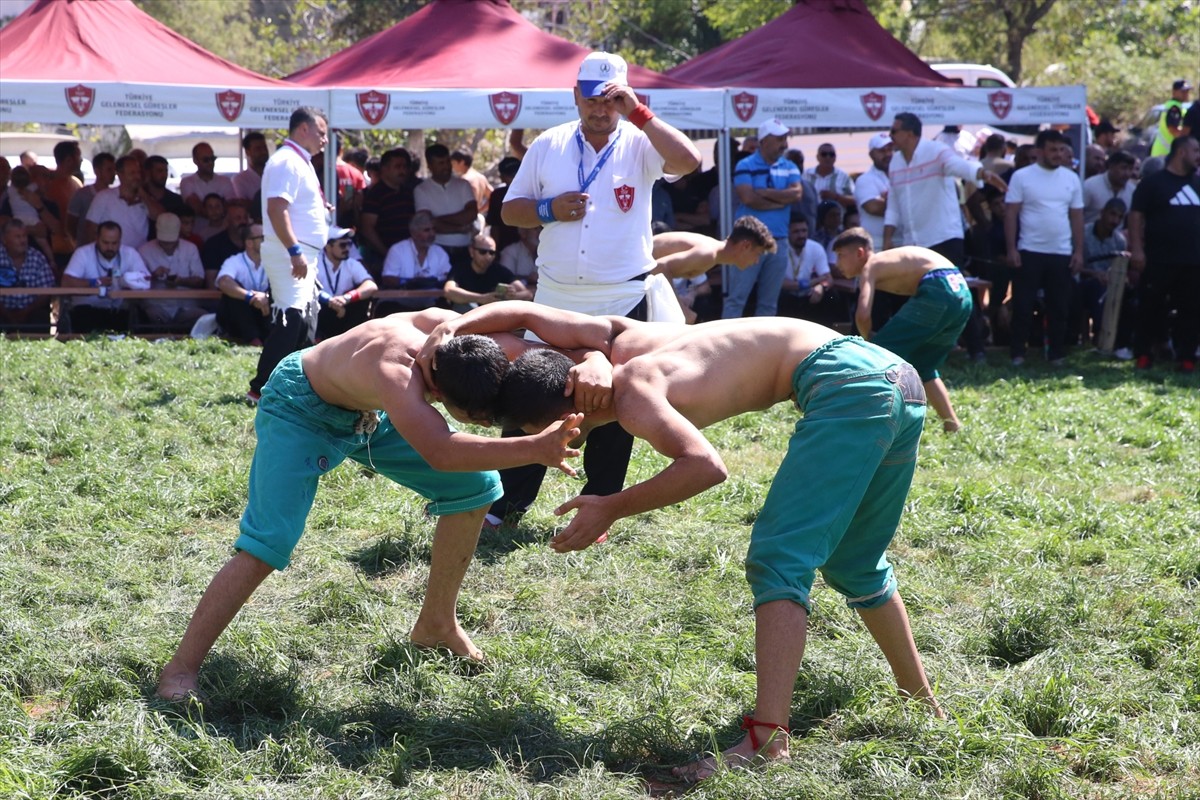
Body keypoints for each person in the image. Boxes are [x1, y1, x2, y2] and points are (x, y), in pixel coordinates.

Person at [418, 301, 943, 782]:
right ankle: (922, 703)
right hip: (894, 377)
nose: (555, 447)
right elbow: (529, 312)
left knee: (777, 560)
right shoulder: (623, 338)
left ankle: (766, 742)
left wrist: (611, 505)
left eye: (548, 436)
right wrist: (452, 328)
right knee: (855, 562)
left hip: (848, 387)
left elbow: (706, 467)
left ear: (569, 418)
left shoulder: (634, 393)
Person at [155, 308, 595, 703]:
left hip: (368, 410)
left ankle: (436, 625)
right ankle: (179, 668)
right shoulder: (397, 371)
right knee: (268, 543)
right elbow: (441, 451)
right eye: (472, 416)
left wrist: (593, 362)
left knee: (473, 487)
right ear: (439, 389)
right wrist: (533, 448)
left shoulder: (467, 340)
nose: (484, 425)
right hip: (301, 406)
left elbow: (561, 335)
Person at [488, 50, 701, 527]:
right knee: (527, 396)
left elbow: (689, 161)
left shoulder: (641, 142)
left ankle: (598, 508)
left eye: (611, 99)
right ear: (575, 96)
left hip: (621, 300)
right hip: (557, 299)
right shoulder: (549, 144)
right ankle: (503, 507)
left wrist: (640, 113)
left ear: (625, 97)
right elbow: (509, 210)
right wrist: (549, 210)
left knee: (613, 404)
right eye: (591, 99)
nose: (600, 109)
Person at [832, 228, 972, 432]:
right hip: (961, 292)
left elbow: (862, 315)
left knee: (874, 357)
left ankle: (858, 421)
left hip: (937, 287)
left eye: (840, 256)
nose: (837, 264)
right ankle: (952, 425)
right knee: (924, 366)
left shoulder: (871, 265)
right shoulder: (888, 260)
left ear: (860, 253)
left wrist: (867, 342)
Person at [246, 106, 330, 406]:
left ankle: (295, 385)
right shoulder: (286, 161)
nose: (325, 140)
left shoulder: (298, 161)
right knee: (290, 317)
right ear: (303, 129)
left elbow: (291, 206)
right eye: (321, 133)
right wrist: (294, 251)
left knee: (306, 320)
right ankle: (261, 388)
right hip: (289, 252)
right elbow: (275, 209)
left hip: (302, 252)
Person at [1004, 129, 1085, 366]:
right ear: (1039, 151)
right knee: (1023, 306)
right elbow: (1011, 214)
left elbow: (1077, 217)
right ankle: (1018, 353)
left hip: (1060, 252)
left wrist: (1078, 251)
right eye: (1053, 149)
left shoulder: (1071, 178)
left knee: (1059, 307)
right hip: (1029, 251)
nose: (1058, 154)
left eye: (1061, 150)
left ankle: (1056, 354)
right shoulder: (1021, 176)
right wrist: (1012, 249)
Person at [1128, 135, 1200, 372]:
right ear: (1181, 153)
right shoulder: (1152, 183)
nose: (1199, 156)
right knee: (1150, 306)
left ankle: (1187, 356)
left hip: (1192, 260)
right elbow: (1136, 216)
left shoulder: (1198, 183)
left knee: (1191, 309)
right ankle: (1144, 354)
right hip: (1158, 258)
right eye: (1196, 150)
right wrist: (1137, 249)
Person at [723, 119, 802, 318]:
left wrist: (765, 192)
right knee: (737, 298)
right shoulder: (745, 164)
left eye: (785, 138)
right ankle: (723, 347)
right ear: (764, 141)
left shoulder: (790, 165)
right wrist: (780, 199)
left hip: (778, 241)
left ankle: (763, 349)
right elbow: (748, 197)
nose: (784, 143)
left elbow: (796, 194)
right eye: (779, 139)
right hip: (747, 242)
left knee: (769, 304)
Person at [60, 220, 151, 332]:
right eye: (105, 243)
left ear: (120, 241)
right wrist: (95, 282)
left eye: (114, 243)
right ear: (97, 239)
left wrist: (128, 282)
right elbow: (66, 282)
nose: (110, 248)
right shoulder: (83, 253)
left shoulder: (130, 253)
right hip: (86, 311)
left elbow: (146, 280)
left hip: (119, 311)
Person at [650, 215, 775, 281]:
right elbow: (659, 268)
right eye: (758, 253)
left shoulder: (712, 255)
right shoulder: (708, 254)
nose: (757, 261)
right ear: (745, 246)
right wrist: (681, 311)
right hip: (633, 266)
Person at [136, 212, 207, 327]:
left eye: (171, 242)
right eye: (164, 242)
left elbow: (200, 280)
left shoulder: (190, 249)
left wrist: (181, 281)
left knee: (203, 317)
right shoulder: (144, 250)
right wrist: (153, 276)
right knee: (151, 314)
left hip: (186, 306)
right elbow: (135, 282)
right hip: (156, 305)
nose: (168, 245)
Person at [414, 144, 477, 271]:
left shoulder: (463, 185)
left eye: (447, 161)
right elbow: (426, 224)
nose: (446, 166)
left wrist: (437, 220)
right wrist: (460, 228)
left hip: (465, 248)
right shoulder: (421, 190)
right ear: (430, 166)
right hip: (436, 248)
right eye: (440, 163)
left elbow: (471, 214)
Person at [359, 147, 418, 275]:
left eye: (404, 166)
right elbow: (367, 228)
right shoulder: (375, 194)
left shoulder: (408, 192)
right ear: (384, 169)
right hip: (382, 257)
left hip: (409, 255)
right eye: (397, 166)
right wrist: (387, 252)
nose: (402, 170)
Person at [315, 226, 377, 340]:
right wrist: (329, 300)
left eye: (349, 244)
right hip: (321, 309)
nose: (347, 249)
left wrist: (347, 298)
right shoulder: (315, 262)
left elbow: (371, 285)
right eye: (342, 245)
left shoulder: (351, 263)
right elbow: (308, 288)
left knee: (361, 302)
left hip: (343, 308)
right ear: (328, 246)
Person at [443, 232, 531, 312]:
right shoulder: (460, 269)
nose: (488, 257)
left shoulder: (499, 270)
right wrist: (481, 298)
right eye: (483, 252)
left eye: (492, 253)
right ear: (471, 251)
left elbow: (528, 294)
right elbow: (448, 291)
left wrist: (511, 296)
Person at [83, 155, 156, 250]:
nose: (137, 176)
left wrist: (144, 195)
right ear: (120, 175)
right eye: (132, 173)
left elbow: (159, 217)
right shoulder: (104, 196)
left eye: (138, 172)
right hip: (112, 255)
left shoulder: (145, 198)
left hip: (139, 257)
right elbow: (90, 229)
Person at [215, 223, 271, 345]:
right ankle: (254, 340)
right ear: (249, 243)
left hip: (264, 311)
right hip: (239, 318)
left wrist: (265, 297)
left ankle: (270, 338)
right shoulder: (234, 261)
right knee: (233, 294)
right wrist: (250, 297)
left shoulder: (272, 261)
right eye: (262, 237)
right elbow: (223, 282)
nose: (266, 241)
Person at [778, 217, 839, 323]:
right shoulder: (779, 249)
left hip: (808, 296)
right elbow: (779, 283)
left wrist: (821, 286)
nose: (801, 235)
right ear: (787, 233)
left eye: (804, 231)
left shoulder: (815, 247)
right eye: (796, 232)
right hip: (786, 296)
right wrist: (814, 282)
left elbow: (828, 278)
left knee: (831, 295)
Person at [0, 219, 57, 331]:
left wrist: (25, 312)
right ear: (4, 240)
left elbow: (47, 290)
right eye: (17, 237)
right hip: (2, 311)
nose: (23, 241)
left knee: (40, 317)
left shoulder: (37, 257)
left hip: (32, 311)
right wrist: (7, 314)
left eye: (24, 236)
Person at [67, 152, 116, 243]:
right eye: (109, 170)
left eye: (114, 169)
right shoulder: (82, 194)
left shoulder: (115, 195)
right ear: (97, 171)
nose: (113, 173)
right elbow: (71, 223)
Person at [855, 133, 892, 246]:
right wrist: (901, 199)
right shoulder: (864, 179)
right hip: (875, 243)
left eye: (890, 149)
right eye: (881, 151)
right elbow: (874, 208)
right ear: (871, 154)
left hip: (905, 240)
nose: (887, 154)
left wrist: (888, 199)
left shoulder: (903, 175)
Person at [1082, 150, 1136, 226]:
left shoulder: (1132, 191)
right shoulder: (1090, 185)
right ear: (1111, 166)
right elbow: (1077, 214)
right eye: (1123, 168)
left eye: (1130, 169)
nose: (1127, 173)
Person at [180, 142, 235, 215]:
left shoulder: (225, 181)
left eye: (213, 158)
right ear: (195, 161)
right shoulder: (187, 182)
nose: (210, 162)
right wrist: (220, 206)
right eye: (206, 160)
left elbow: (232, 206)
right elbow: (196, 208)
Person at [486, 156, 523, 254]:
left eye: (516, 174)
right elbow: (495, 226)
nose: (515, 178)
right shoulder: (498, 196)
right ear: (503, 177)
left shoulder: (534, 192)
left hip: (534, 247)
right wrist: (495, 251)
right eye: (511, 175)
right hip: (505, 246)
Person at [804, 142, 855, 209]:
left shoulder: (843, 177)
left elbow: (856, 200)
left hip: (837, 218)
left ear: (835, 158)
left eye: (831, 154)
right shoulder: (806, 175)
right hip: (812, 217)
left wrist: (836, 197)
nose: (828, 157)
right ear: (817, 157)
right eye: (824, 154)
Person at [1150, 79, 1192, 158]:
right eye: (1183, 91)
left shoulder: (1177, 106)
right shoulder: (1174, 107)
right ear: (1174, 92)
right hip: (1165, 154)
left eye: (1187, 91)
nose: (1186, 94)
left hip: (1164, 153)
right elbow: (1173, 129)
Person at [451, 149, 493, 216]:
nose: (452, 166)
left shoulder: (463, 181)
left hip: (464, 220)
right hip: (476, 218)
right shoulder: (481, 178)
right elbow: (494, 197)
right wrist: (480, 211)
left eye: (453, 163)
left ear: (462, 162)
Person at [498, 223, 539, 287]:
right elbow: (504, 280)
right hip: (515, 295)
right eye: (536, 229)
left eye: (542, 229)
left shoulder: (545, 253)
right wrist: (528, 278)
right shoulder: (510, 252)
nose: (540, 232)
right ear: (523, 233)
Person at [232, 132, 270, 202]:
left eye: (265, 147)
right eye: (258, 149)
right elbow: (243, 205)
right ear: (247, 152)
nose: (263, 152)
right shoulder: (240, 179)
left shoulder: (275, 174)